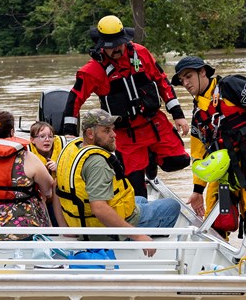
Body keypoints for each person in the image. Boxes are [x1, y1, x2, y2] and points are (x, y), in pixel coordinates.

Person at [60, 15, 190, 198]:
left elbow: (162, 81)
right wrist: (69, 133)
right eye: (111, 46)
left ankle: (151, 158)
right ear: (102, 45)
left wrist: (178, 114)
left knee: (179, 161)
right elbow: (75, 99)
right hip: (125, 135)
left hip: (154, 124)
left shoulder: (141, 53)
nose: (116, 49)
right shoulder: (92, 70)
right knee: (137, 191)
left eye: (119, 44)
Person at [171, 56, 246, 264]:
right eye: (182, 80)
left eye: (188, 76)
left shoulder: (231, 86)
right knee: (215, 224)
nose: (186, 83)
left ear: (203, 72)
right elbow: (199, 155)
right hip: (224, 173)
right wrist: (197, 190)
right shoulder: (198, 113)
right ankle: (221, 266)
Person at [55, 109, 182, 257]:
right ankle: (144, 240)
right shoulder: (97, 163)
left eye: (113, 130)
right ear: (90, 134)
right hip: (103, 232)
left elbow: (56, 186)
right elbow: (100, 208)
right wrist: (138, 236)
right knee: (172, 206)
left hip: (82, 224)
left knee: (140, 200)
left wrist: (66, 229)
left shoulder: (73, 150)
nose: (114, 135)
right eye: (106, 131)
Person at [28, 121, 66, 226]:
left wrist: (59, 167)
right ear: (32, 140)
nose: (47, 140)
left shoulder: (63, 150)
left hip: (59, 199)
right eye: (42, 136)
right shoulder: (27, 153)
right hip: (40, 199)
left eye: (50, 136)